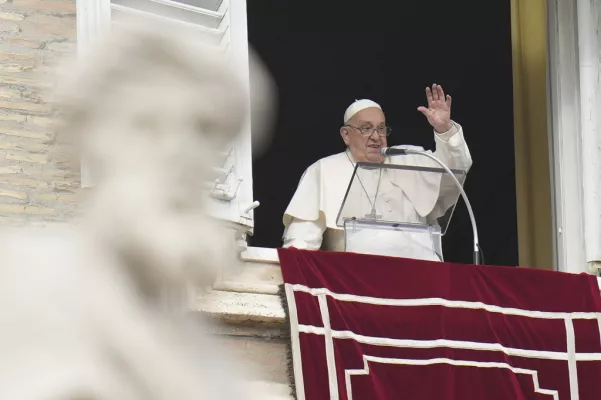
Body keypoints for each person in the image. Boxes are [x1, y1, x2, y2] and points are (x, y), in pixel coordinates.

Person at [282, 84, 472, 260]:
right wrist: (295, 260)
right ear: (346, 135)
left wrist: (444, 130)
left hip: (421, 275)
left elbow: (455, 170)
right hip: (355, 279)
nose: (376, 137)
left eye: (381, 129)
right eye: (366, 129)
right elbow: (303, 235)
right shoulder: (324, 169)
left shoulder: (409, 158)